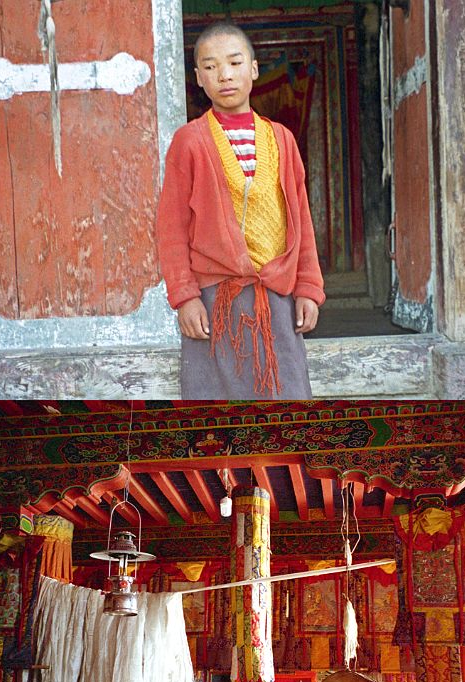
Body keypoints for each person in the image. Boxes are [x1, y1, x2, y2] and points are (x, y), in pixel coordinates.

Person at [156, 22, 325, 399]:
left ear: (253, 69)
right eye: (211, 66)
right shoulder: (189, 141)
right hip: (216, 301)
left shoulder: (281, 139)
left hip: (276, 297)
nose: (225, 75)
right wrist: (185, 297)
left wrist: (309, 288)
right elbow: (171, 228)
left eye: (234, 63)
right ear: (198, 78)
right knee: (218, 406)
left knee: (288, 395)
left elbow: (300, 219)